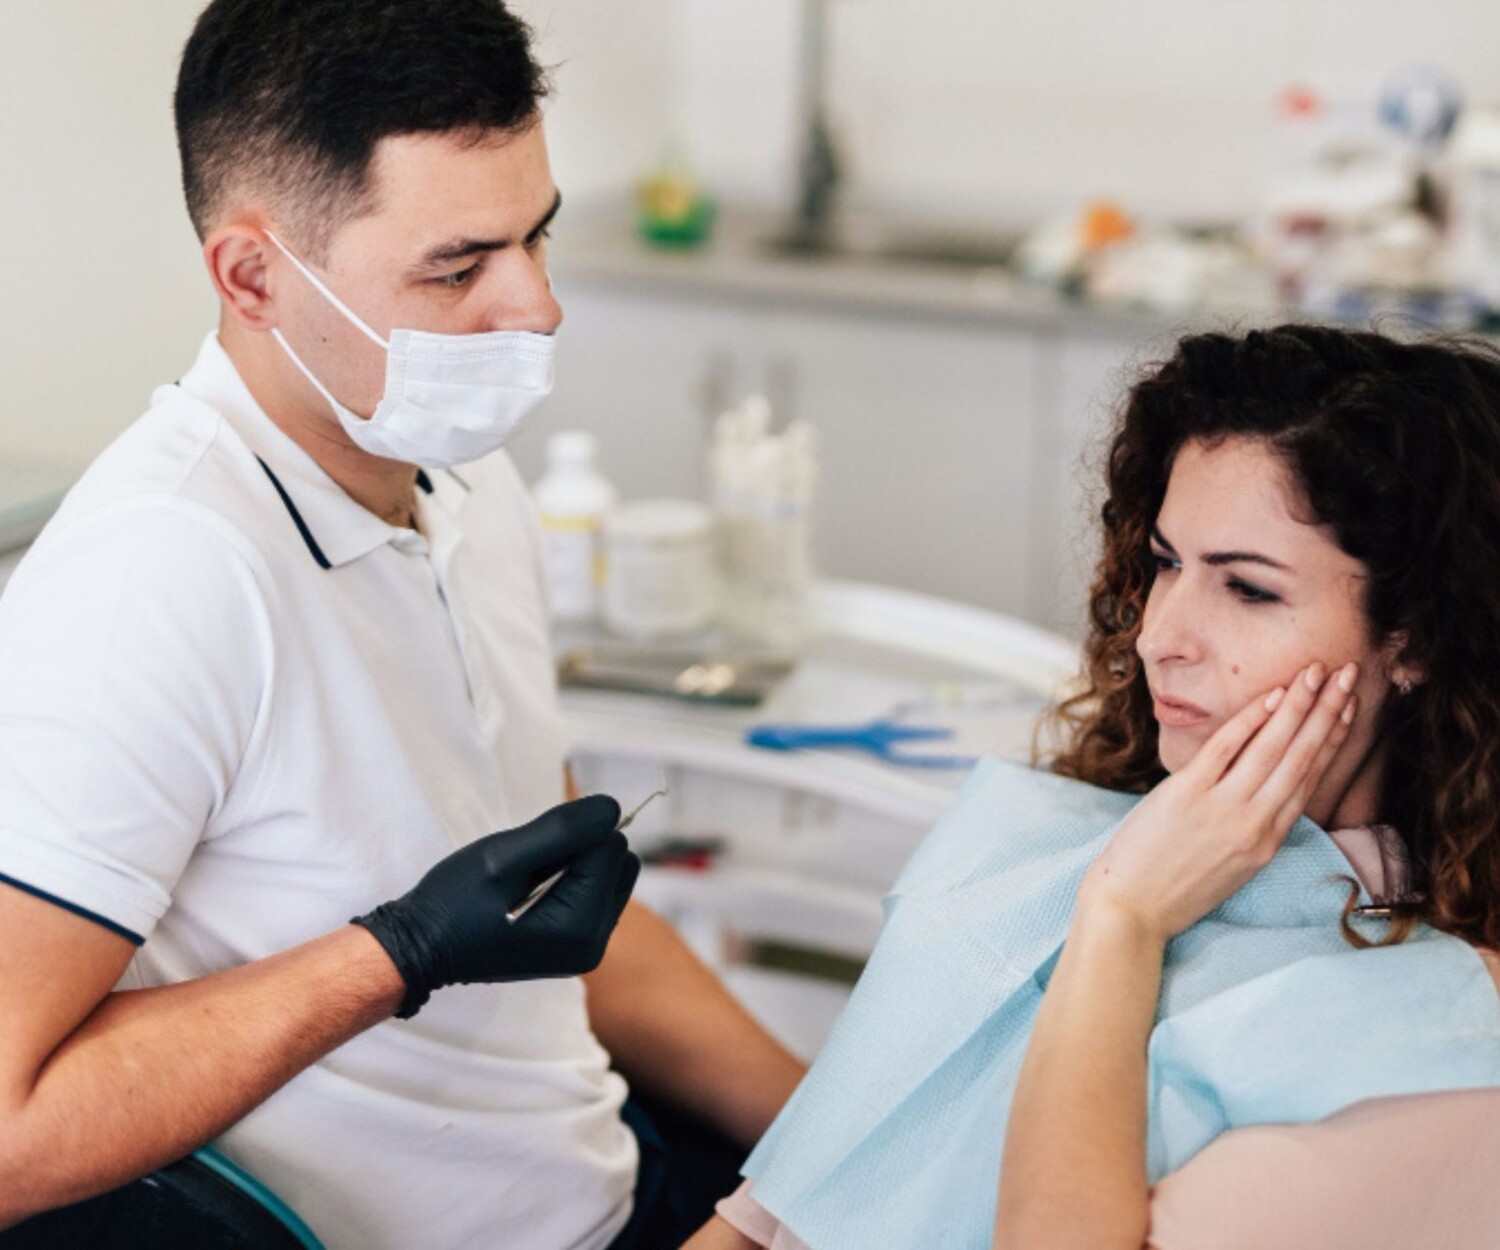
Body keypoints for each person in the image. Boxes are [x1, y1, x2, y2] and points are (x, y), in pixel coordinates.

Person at [0, 3, 804, 1248]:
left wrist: (825, 1135)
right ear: (254, 276)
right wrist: (398, 951)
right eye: (458, 264)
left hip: (608, 1183)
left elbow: (566, 918)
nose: (535, 308)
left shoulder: (468, 483)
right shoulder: (159, 577)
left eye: (537, 238)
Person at [689, 324, 1500, 1250]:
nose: (1161, 636)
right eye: (1165, 563)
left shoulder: (1438, 1045)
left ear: (1419, 639)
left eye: (1248, 590)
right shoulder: (1043, 840)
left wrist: (1121, 921)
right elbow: (773, 1214)